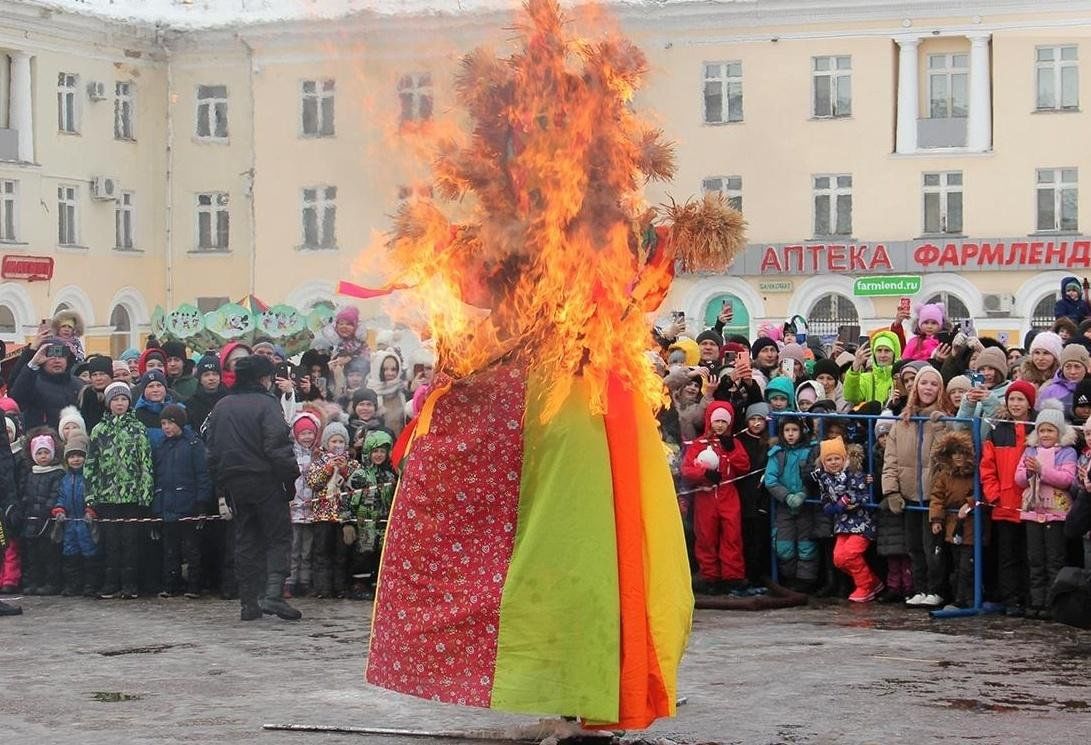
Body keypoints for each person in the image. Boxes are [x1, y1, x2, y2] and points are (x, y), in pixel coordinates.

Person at [204, 354, 301, 621]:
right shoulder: (267, 404)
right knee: (278, 537)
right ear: (262, 378)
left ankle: (248, 602)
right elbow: (277, 447)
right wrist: (290, 480)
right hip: (265, 480)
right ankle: (273, 595)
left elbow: (212, 451)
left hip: (235, 483)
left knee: (246, 540)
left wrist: (222, 486)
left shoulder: (222, 406)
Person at [882, 366, 950, 609]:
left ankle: (936, 589)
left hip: (934, 497)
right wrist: (891, 490)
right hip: (910, 494)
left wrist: (942, 427)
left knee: (933, 547)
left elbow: (949, 456)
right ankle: (920, 588)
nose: (928, 388)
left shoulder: (944, 420)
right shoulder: (903, 422)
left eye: (934, 384)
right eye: (924, 383)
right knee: (913, 547)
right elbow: (890, 459)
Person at [85, 382, 153, 599]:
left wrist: (145, 493)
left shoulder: (138, 428)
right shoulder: (99, 430)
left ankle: (130, 584)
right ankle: (110, 582)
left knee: (131, 542)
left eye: (123, 399)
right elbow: (91, 464)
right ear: (108, 403)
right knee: (110, 542)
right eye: (115, 399)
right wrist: (91, 495)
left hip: (132, 497)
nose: (120, 403)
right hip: (107, 497)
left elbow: (146, 463)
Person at [1015, 402, 1078, 620]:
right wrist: (1030, 473)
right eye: (1042, 430)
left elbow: (1067, 479)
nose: (1045, 434)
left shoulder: (1067, 452)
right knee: (1035, 559)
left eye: (1050, 430)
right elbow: (1019, 478)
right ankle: (1036, 600)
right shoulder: (1030, 450)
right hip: (1033, 510)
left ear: (1059, 431)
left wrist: (1043, 470)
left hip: (1056, 512)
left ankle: (1053, 603)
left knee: (1054, 560)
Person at [681, 401, 751, 594]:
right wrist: (704, 474)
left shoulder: (734, 443)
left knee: (732, 535)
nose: (720, 425)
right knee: (706, 537)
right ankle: (709, 576)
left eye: (724, 422)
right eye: (716, 421)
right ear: (709, 421)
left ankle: (733, 576)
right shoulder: (698, 444)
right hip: (706, 496)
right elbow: (687, 469)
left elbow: (744, 466)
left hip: (728, 495)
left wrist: (731, 450)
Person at [980, 380, 1036, 616]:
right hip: (1004, 503)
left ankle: (1030, 598)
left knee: (1029, 555)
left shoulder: (1036, 428)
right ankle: (1011, 600)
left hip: (1032, 505)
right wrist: (993, 495)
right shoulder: (998, 429)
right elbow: (987, 467)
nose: (1015, 403)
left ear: (1029, 403)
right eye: (1011, 398)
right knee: (1007, 556)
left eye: (1020, 399)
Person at [153, 404, 212, 598]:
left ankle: (194, 585)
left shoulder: (193, 444)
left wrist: (202, 502)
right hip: (167, 504)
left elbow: (203, 475)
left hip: (188, 505)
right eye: (163, 423)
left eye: (170, 423)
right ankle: (171, 584)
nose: (166, 427)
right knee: (170, 550)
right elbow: (157, 477)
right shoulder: (160, 446)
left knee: (191, 549)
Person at [815, 436, 882, 602]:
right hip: (842, 524)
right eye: (829, 459)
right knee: (838, 559)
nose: (833, 462)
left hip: (861, 523)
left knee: (850, 555)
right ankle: (873, 581)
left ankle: (865, 585)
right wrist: (838, 505)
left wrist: (850, 501)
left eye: (837, 458)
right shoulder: (824, 480)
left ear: (844, 459)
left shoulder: (855, 475)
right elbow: (827, 504)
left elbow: (864, 495)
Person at [929, 430, 982, 610]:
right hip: (953, 526)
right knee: (957, 564)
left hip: (972, 525)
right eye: (954, 453)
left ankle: (966, 599)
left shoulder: (976, 474)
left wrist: (969, 504)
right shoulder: (945, 475)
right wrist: (936, 519)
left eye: (961, 453)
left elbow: (983, 494)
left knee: (968, 565)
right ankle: (958, 597)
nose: (958, 457)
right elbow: (937, 497)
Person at [764, 415, 817, 592]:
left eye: (794, 430)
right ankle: (789, 579)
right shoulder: (777, 452)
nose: (791, 434)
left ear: (801, 432)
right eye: (787, 430)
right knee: (784, 545)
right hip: (784, 505)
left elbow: (814, 477)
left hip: (806, 505)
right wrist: (786, 496)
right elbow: (770, 480)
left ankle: (806, 582)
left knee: (806, 545)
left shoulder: (810, 450)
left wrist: (804, 493)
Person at [344, 429, 399, 599]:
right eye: (375, 451)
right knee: (363, 555)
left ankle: (376, 584)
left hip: (383, 522)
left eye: (382, 451)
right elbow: (347, 499)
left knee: (380, 555)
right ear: (368, 452)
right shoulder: (359, 475)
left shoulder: (390, 475)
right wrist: (347, 522)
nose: (379, 455)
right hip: (364, 522)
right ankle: (358, 585)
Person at [307, 421, 359, 599]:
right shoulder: (318, 462)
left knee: (341, 554)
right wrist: (328, 469)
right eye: (333, 442)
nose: (337, 445)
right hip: (322, 516)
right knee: (322, 553)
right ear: (326, 443)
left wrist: (344, 471)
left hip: (343, 517)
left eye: (341, 442)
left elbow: (358, 485)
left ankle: (341, 587)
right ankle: (323, 588)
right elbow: (313, 482)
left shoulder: (352, 464)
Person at [51, 433, 97, 596]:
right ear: (67, 459)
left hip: (86, 523)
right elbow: (61, 498)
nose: (76, 460)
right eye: (72, 456)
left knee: (89, 556)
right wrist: (59, 510)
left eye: (79, 456)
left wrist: (91, 510)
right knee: (70, 555)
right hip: (70, 523)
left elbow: (94, 497)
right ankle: (72, 585)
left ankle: (89, 586)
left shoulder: (89, 478)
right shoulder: (65, 479)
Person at [19, 429, 64, 595]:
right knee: (32, 555)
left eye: (46, 452)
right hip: (31, 521)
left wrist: (46, 509)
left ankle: (51, 583)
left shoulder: (57, 473)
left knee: (49, 555)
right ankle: (33, 581)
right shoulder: (31, 473)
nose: (43, 456)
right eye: (39, 453)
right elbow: (26, 494)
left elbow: (55, 494)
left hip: (47, 521)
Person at [10, 338, 82, 430]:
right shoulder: (31, 381)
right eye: (51, 357)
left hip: (72, 439)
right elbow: (17, 400)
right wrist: (33, 363)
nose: (57, 360)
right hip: (40, 439)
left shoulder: (78, 384)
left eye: (61, 356)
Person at [287, 410, 321, 598]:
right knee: (293, 547)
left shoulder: (319, 454)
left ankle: (305, 581)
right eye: (303, 433)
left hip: (312, 507)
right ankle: (290, 581)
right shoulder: (290, 454)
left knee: (307, 549)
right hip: (294, 506)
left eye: (310, 433)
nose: (307, 437)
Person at [736, 403, 771, 587]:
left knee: (760, 538)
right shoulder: (740, 439)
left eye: (760, 419)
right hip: (745, 494)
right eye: (753, 419)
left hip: (762, 496)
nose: (757, 423)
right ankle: (746, 574)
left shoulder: (770, 441)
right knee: (745, 537)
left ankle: (758, 576)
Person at [844, 330, 901, 406]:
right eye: (879, 350)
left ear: (894, 354)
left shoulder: (901, 378)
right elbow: (851, 397)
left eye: (887, 351)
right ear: (874, 354)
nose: (882, 355)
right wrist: (855, 368)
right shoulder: (865, 378)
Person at [367, 350, 408, 437]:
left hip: (401, 444)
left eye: (394, 369)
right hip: (378, 446)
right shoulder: (369, 394)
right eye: (385, 369)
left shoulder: (403, 392)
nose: (390, 373)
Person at [1037, 344, 1089, 413]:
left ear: (1085, 368)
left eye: (1077, 367)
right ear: (1062, 368)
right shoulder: (1049, 391)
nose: (1072, 372)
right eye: (1068, 366)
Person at [186, 353, 227, 435]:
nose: (211, 378)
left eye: (215, 374)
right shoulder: (191, 404)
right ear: (200, 378)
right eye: (206, 375)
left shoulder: (229, 399)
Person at [78, 355, 114, 432]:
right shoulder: (86, 395)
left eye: (102, 374)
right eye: (94, 375)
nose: (98, 378)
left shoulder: (117, 393)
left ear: (110, 376)